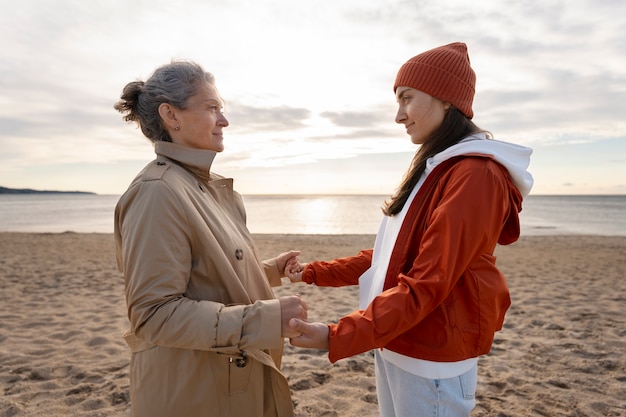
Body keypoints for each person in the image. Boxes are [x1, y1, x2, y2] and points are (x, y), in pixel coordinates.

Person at [286, 42, 533, 417]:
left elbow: (428, 282)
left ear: (446, 99)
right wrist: (314, 272)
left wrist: (336, 335)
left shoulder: (475, 174)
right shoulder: (438, 166)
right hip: (398, 341)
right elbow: (394, 257)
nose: (399, 115)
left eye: (407, 98)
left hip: (431, 359)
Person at [113, 60, 307, 417]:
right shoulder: (157, 192)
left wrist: (268, 273)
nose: (224, 120)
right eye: (212, 108)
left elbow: (207, 276)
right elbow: (153, 314)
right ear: (172, 115)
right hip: (195, 392)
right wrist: (264, 320)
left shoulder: (202, 185)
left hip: (228, 383)